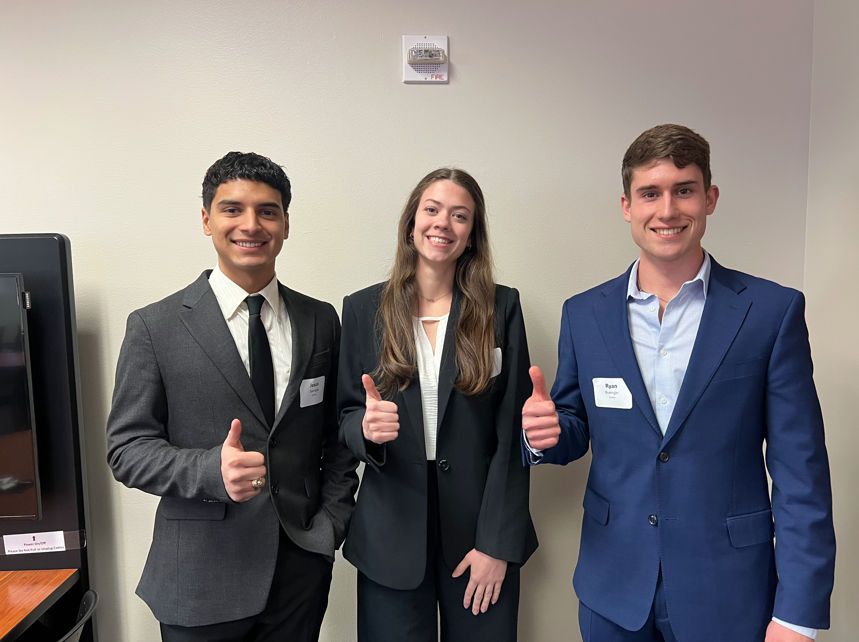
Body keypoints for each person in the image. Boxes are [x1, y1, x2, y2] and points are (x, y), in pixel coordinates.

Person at [522, 125, 835, 642]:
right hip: (613, 590)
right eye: (650, 193)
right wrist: (543, 435)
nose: (666, 211)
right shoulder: (584, 314)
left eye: (683, 190)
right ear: (627, 206)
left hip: (729, 591)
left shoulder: (771, 313)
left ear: (709, 198)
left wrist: (797, 613)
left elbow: (801, 473)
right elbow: (573, 425)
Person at [106, 152, 358, 642]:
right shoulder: (154, 326)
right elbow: (126, 450)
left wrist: (330, 527)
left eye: (267, 211)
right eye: (232, 209)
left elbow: (336, 436)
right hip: (199, 579)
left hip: (299, 571)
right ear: (206, 220)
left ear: (286, 224)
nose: (251, 224)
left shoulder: (320, 320)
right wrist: (209, 471)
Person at [337, 168, 538, 641]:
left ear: (471, 236)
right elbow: (344, 417)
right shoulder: (363, 308)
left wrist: (497, 544)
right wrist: (365, 429)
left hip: (480, 534)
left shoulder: (501, 307)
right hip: (390, 532)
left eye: (459, 215)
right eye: (431, 210)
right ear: (412, 223)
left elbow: (513, 436)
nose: (442, 223)